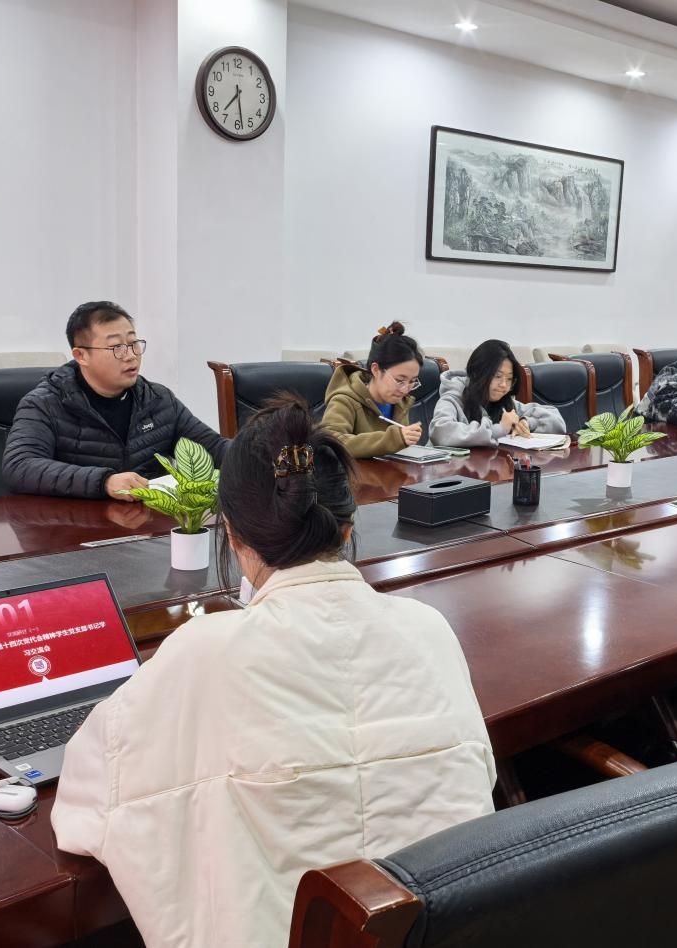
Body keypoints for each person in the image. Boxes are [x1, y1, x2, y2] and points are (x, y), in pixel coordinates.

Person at [52, 396, 497, 948]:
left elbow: (88, 803)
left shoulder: (204, 651)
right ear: (347, 530)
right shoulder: (427, 628)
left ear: (232, 534)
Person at [3, 301, 228, 500]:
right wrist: (105, 481)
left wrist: (248, 451)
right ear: (81, 356)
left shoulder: (157, 399)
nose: (130, 355)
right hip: (74, 525)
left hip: (146, 523)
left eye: (133, 343)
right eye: (116, 347)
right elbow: (19, 466)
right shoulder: (44, 404)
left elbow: (215, 448)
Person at [430, 339, 566, 447]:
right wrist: (500, 429)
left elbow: (557, 421)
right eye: (497, 376)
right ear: (478, 373)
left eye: (509, 379)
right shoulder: (452, 398)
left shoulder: (505, 403)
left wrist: (527, 423)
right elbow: (440, 432)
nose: (504, 385)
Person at [322, 321, 425, 458]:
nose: (405, 390)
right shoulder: (345, 400)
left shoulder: (400, 403)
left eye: (412, 382)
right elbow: (330, 443)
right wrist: (393, 439)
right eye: (399, 380)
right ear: (376, 370)